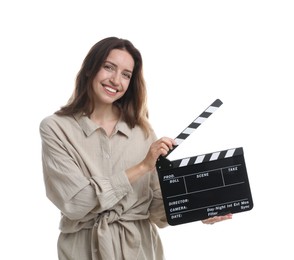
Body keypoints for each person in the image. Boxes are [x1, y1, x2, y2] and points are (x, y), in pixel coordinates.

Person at [39, 36, 232, 260]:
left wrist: (199, 210)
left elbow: (157, 209)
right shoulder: (55, 128)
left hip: (140, 250)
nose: (115, 80)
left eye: (126, 74)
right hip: (83, 250)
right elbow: (75, 203)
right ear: (90, 69)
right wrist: (141, 167)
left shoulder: (143, 132)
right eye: (108, 67)